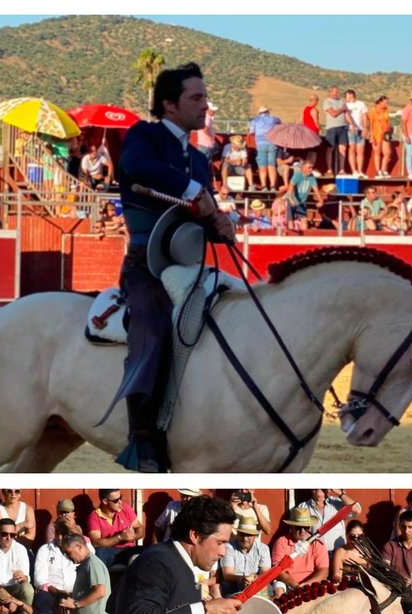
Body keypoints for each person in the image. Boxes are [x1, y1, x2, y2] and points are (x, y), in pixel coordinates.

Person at [114, 62, 233, 472]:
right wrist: (194, 192)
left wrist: (220, 222)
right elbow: (138, 169)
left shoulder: (200, 161)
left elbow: (203, 211)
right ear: (169, 104)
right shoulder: (143, 137)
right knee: (155, 325)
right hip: (146, 264)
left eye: (205, 96)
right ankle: (142, 438)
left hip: (191, 263)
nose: (205, 105)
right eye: (196, 98)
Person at [108, 494, 243, 614]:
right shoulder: (158, 561)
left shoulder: (178, 563)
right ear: (195, 535)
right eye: (219, 543)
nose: (222, 552)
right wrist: (204, 611)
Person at [61, 535, 114, 614]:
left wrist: (76, 604)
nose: (67, 556)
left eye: (68, 552)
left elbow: (100, 591)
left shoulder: (92, 563)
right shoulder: (86, 564)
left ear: (79, 546)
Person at [270, 505, 329, 593]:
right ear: (291, 527)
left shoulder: (318, 543)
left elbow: (324, 570)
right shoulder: (281, 542)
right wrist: (296, 586)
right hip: (287, 584)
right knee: (279, 587)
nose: (302, 531)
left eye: (306, 527)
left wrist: (307, 585)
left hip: (311, 584)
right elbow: (278, 571)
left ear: (310, 527)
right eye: (298, 527)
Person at [0, 519, 34, 611]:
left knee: (28, 588)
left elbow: (26, 578)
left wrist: (23, 578)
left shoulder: (20, 549)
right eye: (5, 534)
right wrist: (9, 597)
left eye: (12, 535)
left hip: (14, 589)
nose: (9, 538)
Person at [87, 489, 143, 567]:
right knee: (99, 552)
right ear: (105, 501)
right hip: (110, 552)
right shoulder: (94, 516)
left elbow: (139, 528)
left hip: (129, 549)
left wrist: (133, 536)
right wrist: (120, 537)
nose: (120, 502)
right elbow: (96, 543)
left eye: (120, 497)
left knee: (148, 551)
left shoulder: (125, 508)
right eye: (116, 500)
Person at [219, 514, 269, 596]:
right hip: (234, 585)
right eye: (242, 534)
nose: (245, 538)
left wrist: (256, 578)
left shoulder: (263, 549)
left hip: (256, 584)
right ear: (238, 533)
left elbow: (265, 573)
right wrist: (242, 579)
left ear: (255, 536)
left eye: (248, 535)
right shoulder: (229, 547)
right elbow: (227, 575)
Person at [249, 104, 281, 189]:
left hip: (261, 143)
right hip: (272, 143)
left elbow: (252, 132)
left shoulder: (255, 120)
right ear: (267, 112)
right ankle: (273, 185)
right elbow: (279, 125)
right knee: (271, 165)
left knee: (262, 166)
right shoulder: (275, 119)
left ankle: (263, 185)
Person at [322, 86, 349, 175]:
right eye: (335, 92)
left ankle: (342, 169)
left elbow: (346, 113)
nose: (337, 94)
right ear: (330, 92)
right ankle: (329, 169)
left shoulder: (341, 101)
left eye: (338, 92)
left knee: (343, 148)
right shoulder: (327, 101)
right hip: (332, 127)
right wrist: (342, 108)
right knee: (330, 148)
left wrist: (351, 124)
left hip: (343, 126)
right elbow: (333, 113)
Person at [344, 90, 368, 177]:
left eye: (347, 96)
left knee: (360, 151)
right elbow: (345, 116)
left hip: (360, 129)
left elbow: (364, 116)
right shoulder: (345, 105)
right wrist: (351, 125)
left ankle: (360, 170)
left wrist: (365, 128)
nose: (346, 98)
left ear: (351, 95)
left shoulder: (361, 104)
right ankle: (354, 170)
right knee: (352, 149)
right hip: (350, 129)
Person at [368, 95, 393, 177]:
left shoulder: (386, 110)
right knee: (377, 152)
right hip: (376, 133)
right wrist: (371, 135)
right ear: (380, 102)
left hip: (385, 133)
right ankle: (378, 171)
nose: (386, 104)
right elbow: (371, 123)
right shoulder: (373, 110)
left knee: (387, 152)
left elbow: (387, 121)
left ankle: (383, 169)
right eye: (385, 102)